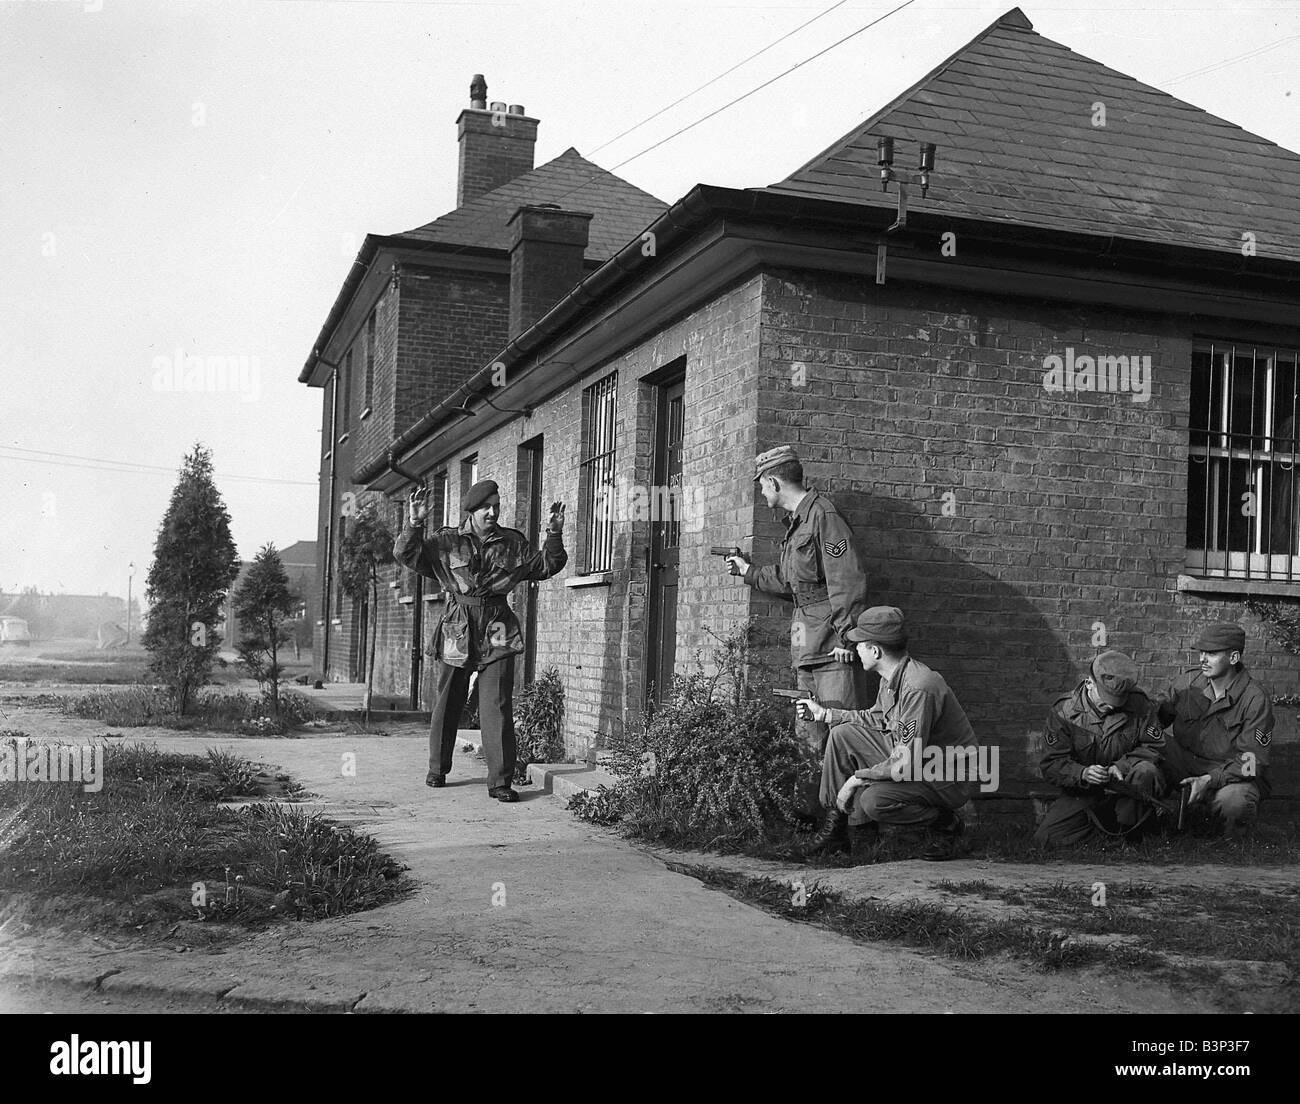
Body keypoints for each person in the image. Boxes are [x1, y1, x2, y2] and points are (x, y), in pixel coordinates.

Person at [395, 479, 566, 802]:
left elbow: (546, 565)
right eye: (487, 507)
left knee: (497, 704)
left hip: (498, 626)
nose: (493, 512)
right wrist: (414, 522)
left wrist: (553, 534)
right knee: (448, 701)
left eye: (497, 507)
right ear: (472, 511)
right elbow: (406, 554)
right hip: (458, 624)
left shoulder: (512, 543)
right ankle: (438, 767)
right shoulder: (445, 542)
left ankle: (500, 780)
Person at [724, 446, 869, 808]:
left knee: (843, 736)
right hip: (807, 650)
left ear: (773, 481)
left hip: (833, 651)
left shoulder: (823, 516)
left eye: (761, 485)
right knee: (808, 740)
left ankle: (854, 825)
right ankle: (813, 819)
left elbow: (847, 579)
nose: (761, 492)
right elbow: (793, 582)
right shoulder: (797, 524)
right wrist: (749, 572)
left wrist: (848, 637)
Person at [794, 607, 976, 861]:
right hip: (919, 759)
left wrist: (856, 779)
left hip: (946, 774)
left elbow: (904, 762)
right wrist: (826, 715)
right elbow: (878, 718)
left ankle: (945, 823)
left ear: (875, 651)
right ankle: (836, 830)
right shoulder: (892, 675)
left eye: (859, 644)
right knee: (841, 734)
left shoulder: (918, 687)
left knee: (874, 801)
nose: (855, 649)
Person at [1033, 651, 1167, 849]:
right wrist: (1083, 773)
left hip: (1125, 788)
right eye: (1105, 700)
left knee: (1146, 770)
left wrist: (1121, 766)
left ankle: (1133, 832)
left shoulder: (1139, 704)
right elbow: (1052, 764)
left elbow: (1153, 746)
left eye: (1118, 702)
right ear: (1089, 683)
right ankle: (1109, 829)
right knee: (1046, 839)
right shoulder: (1064, 712)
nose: (1111, 707)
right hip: (1083, 791)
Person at [1155, 621, 1275, 837]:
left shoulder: (1254, 699)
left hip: (1229, 776)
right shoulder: (1187, 682)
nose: (1202, 659)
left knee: (1234, 802)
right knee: (1151, 749)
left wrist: (1209, 779)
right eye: (1202, 652)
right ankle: (1148, 827)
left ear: (1234, 658)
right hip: (1186, 765)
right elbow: (1155, 718)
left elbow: (1251, 762)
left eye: (1211, 653)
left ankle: (1229, 850)